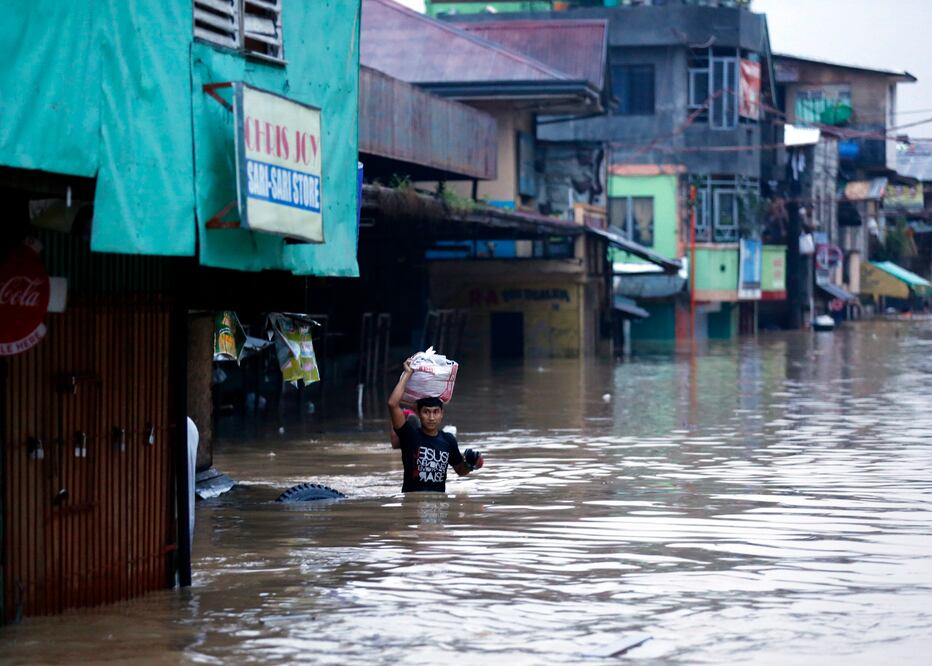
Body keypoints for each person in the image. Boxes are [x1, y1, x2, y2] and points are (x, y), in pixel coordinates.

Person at [388, 356, 483, 492]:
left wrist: (471, 464)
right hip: (412, 507)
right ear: (419, 414)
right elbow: (392, 404)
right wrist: (408, 374)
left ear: (441, 414)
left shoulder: (448, 440)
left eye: (435, 412)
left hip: (439, 506)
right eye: (426, 412)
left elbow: (460, 471)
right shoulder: (409, 435)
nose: (431, 417)